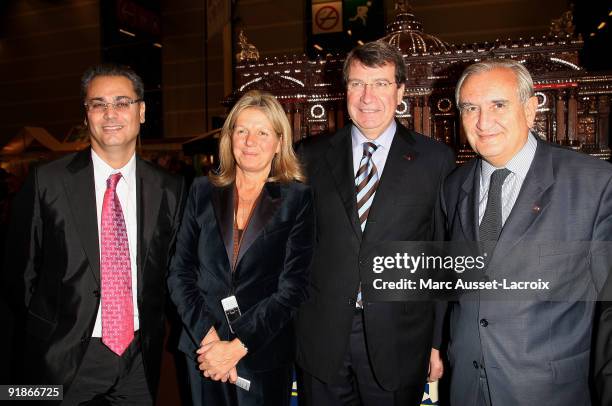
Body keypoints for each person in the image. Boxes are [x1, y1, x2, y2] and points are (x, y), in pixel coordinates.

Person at [4, 64, 186, 404]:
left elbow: (173, 274)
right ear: (86, 114)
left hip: (137, 357)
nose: (110, 113)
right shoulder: (47, 182)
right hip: (58, 355)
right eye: (98, 104)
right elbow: (19, 273)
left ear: (142, 111)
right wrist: (50, 327)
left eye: (122, 102)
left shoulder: (170, 189)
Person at [442, 59, 612, 405]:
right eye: (470, 107)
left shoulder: (594, 184)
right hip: (465, 388)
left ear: (531, 108)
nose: (483, 121)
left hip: (548, 392)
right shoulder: (453, 186)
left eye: (498, 105)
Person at [295, 40, 455, 406]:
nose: (368, 97)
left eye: (381, 84)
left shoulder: (435, 160)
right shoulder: (308, 156)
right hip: (322, 338)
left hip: (401, 340)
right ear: (345, 89)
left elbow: (441, 256)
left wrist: (436, 342)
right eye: (357, 83)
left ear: (400, 90)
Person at [167, 90, 314, 406]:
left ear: (278, 142)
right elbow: (180, 273)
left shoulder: (297, 199)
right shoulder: (201, 190)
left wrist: (236, 346)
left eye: (262, 132)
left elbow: (294, 288)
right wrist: (212, 343)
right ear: (229, 137)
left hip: (262, 350)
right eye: (242, 130)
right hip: (201, 349)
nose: (250, 141)